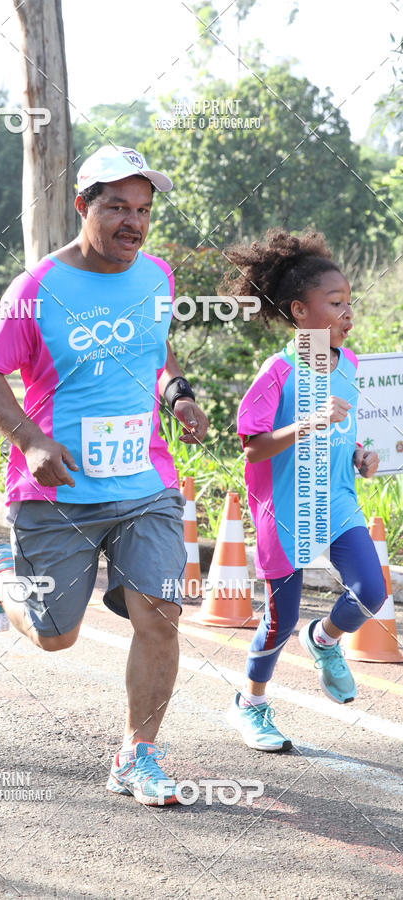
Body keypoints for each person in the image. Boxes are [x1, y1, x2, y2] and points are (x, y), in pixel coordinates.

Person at [0, 145, 209, 804]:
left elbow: (155, 349)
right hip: (59, 492)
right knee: (55, 635)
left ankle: (139, 754)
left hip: (143, 485)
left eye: (142, 210)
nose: (133, 222)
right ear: (82, 207)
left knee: (160, 614)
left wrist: (178, 393)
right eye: (116, 208)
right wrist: (30, 440)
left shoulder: (156, 276)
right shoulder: (38, 287)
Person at [221, 228, 385, 752]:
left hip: (336, 499)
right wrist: (311, 422)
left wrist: (361, 458)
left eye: (349, 303)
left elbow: (348, 435)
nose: (346, 313)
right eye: (334, 303)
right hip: (284, 507)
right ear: (299, 311)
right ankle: (251, 704)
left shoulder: (352, 364)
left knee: (372, 591)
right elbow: (252, 447)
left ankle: (326, 639)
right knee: (280, 619)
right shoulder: (279, 371)